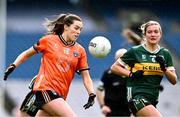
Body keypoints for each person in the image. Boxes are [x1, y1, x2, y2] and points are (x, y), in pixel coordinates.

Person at [4, 13, 96, 116]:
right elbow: (26, 53)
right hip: (45, 89)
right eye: (76, 28)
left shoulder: (80, 51)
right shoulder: (49, 40)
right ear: (66, 26)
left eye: (80, 29)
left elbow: (86, 77)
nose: (78, 32)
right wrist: (13, 65)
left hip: (60, 96)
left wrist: (91, 93)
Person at [111, 20, 177, 116]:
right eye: (149, 32)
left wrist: (164, 69)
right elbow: (114, 68)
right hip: (136, 98)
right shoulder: (135, 51)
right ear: (145, 35)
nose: (153, 34)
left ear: (160, 34)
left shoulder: (165, 54)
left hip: (152, 100)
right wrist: (131, 74)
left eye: (156, 32)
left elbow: (174, 81)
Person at [96, 48, 131, 117]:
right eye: (119, 59)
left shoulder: (131, 73)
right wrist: (103, 106)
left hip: (128, 111)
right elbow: (98, 90)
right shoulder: (108, 73)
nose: (121, 62)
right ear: (115, 59)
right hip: (111, 111)